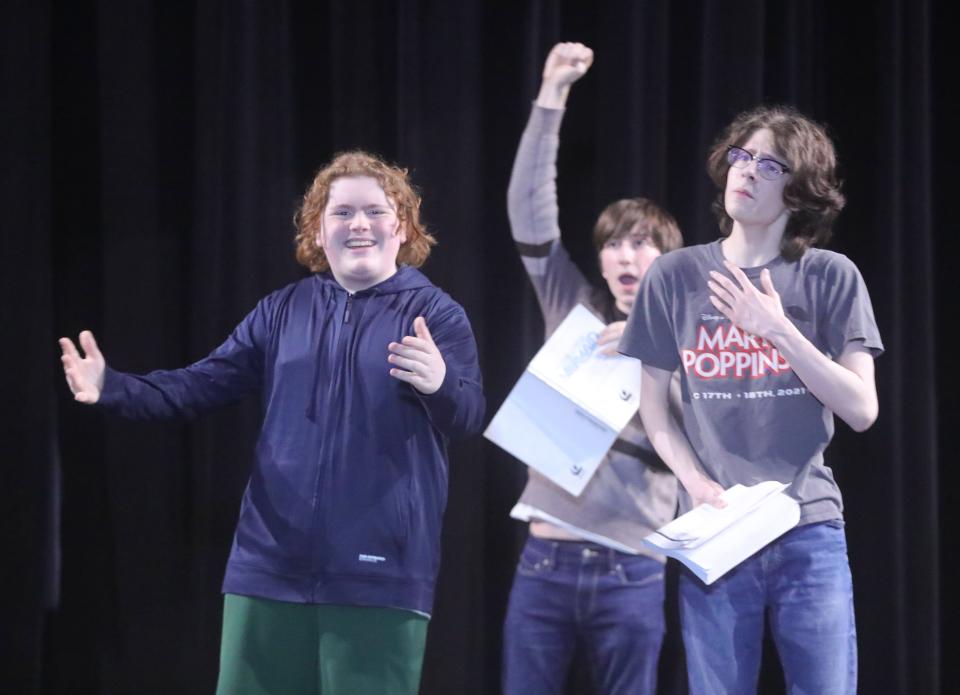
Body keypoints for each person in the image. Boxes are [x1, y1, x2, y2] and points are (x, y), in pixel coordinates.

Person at [58, 150, 485, 695]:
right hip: (267, 567)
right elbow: (199, 385)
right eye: (342, 212)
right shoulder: (282, 311)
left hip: (378, 575)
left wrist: (439, 385)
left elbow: (468, 416)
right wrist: (112, 387)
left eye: (376, 212)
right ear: (317, 228)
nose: (359, 224)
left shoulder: (436, 316)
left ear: (402, 227)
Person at [621, 104, 882, 694]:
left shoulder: (831, 276)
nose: (748, 171)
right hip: (717, 528)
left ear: (797, 192)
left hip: (806, 526)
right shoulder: (673, 275)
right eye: (742, 157)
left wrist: (778, 330)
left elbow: (861, 409)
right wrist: (694, 482)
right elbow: (654, 408)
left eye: (770, 165)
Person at [502, 42, 683, 695]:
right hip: (543, 562)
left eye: (643, 243)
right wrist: (551, 95)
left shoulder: (693, 342)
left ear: (670, 260)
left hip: (632, 572)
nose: (626, 255)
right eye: (614, 243)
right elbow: (529, 214)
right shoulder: (572, 306)